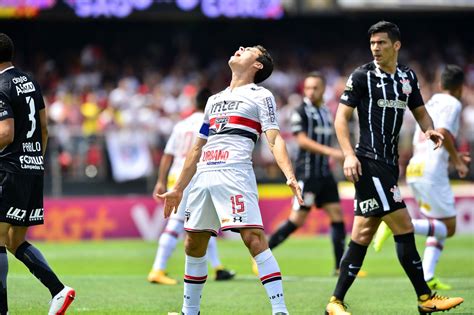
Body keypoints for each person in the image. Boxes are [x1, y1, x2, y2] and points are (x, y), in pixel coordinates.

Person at [324, 21, 463, 315]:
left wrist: (431, 130)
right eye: (373, 43)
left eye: (382, 43)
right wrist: (349, 155)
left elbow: (421, 112)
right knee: (404, 226)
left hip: (390, 165)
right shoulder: (362, 76)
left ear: (396, 45)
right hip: (368, 162)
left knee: (362, 234)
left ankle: (335, 302)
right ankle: (425, 298)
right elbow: (340, 119)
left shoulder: (406, 77)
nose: (375, 48)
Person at [158, 45, 303, 315]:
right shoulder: (213, 100)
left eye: (248, 50)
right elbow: (197, 147)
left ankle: (280, 310)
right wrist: (178, 188)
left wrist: (290, 175)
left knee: (254, 238)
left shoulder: (261, 95)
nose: (239, 49)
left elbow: (274, 138)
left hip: (234, 172)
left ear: (257, 65)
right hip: (203, 175)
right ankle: (190, 311)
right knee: (193, 243)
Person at [373, 65, 470, 291]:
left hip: (416, 167)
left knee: (436, 226)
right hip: (432, 171)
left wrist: (452, 156)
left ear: (440, 84)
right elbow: (443, 133)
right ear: (459, 88)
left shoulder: (433, 100)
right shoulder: (452, 103)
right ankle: (395, 224)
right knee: (449, 228)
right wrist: (455, 160)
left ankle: (427, 275)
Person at [0, 33, 75, 314]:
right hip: (32, 167)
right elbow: (44, 128)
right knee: (14, 240)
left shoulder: (0, 86)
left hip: (8, 168)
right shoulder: (29, 81)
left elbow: (5, 133)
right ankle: (59, 290)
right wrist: (35, 160)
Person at [147, 88, 235, 285]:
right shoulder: (211, 122)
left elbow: (167, 154)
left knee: (203, 222)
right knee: (178, 223)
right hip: (193, 176)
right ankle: (157, 269)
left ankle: (218, 267)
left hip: (175, 175)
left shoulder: (181, 125)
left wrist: (161, 181)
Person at [267, 72, 349, 275]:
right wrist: (332, 152)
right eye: (308, 88)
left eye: (315, 88)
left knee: (337, 215)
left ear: (323, 90)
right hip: (308, 174)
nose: (311, 92)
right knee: (297, 220)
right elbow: (302, 140)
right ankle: (262, 255)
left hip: (325, 174)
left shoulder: (325, 111)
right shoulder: (300, 111)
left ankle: (340, 267)